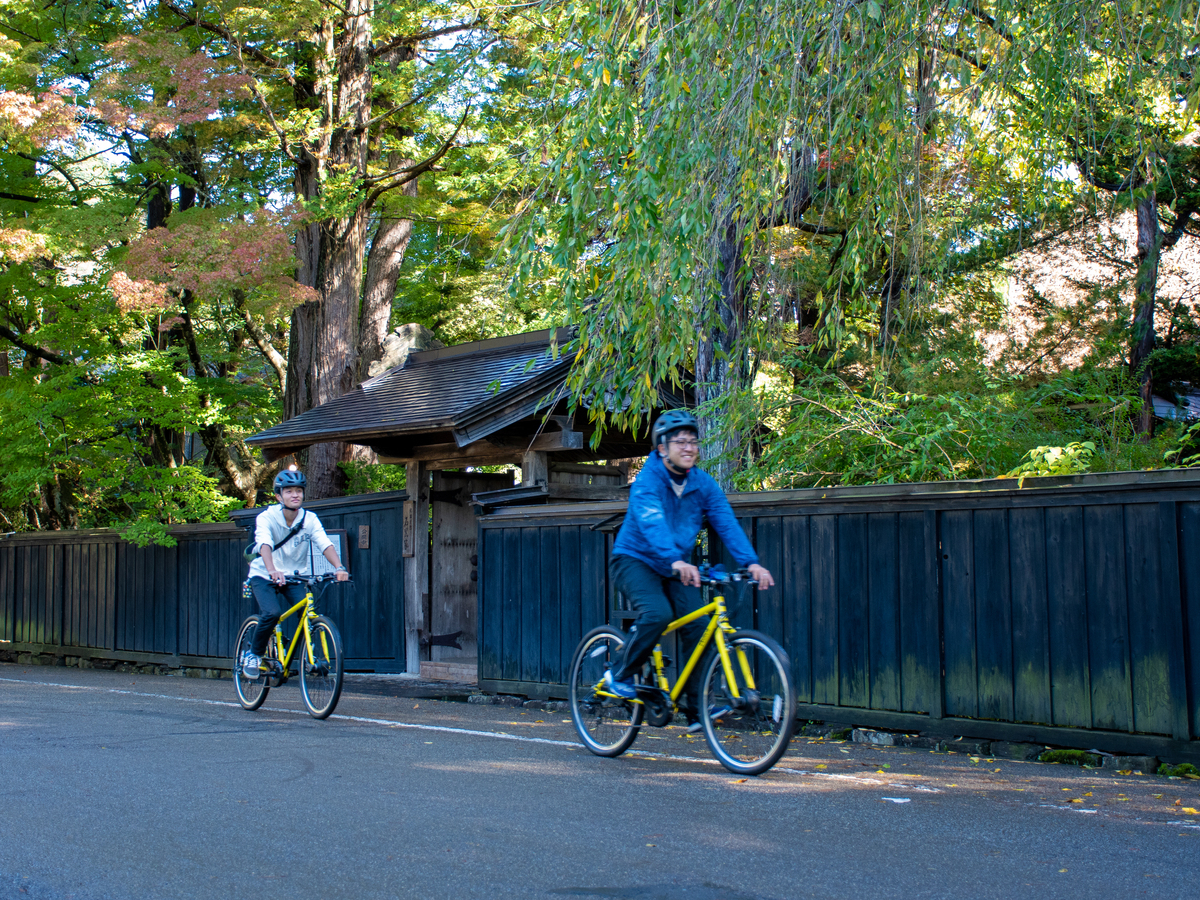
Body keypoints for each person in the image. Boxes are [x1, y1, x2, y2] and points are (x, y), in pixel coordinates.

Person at [606, 409, 774, 732]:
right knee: (656, 613)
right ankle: (620, 673)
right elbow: (652, 522)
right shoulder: (648, 481)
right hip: (635, 559)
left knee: (699, 624)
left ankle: (696, 709)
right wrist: (676, 560)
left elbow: (726, 522)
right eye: (680, 441)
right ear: (661, 448)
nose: (688, 448)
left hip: (675, 566)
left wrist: (751, 562)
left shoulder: (703, 484)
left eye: (693, 442)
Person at [240, 468, 349, 679]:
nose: (295, 495)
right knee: (271, 613)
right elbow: (264, 543)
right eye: (289, 491)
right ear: (278, 496)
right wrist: (271, 570)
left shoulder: (310, 519)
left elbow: (324, 544)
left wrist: (339, 567)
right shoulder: (267, 517)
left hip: (294, 576)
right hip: (264, 573)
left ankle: (308, 656)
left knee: (307, 613)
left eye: (299, 490)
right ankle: (254, 654)